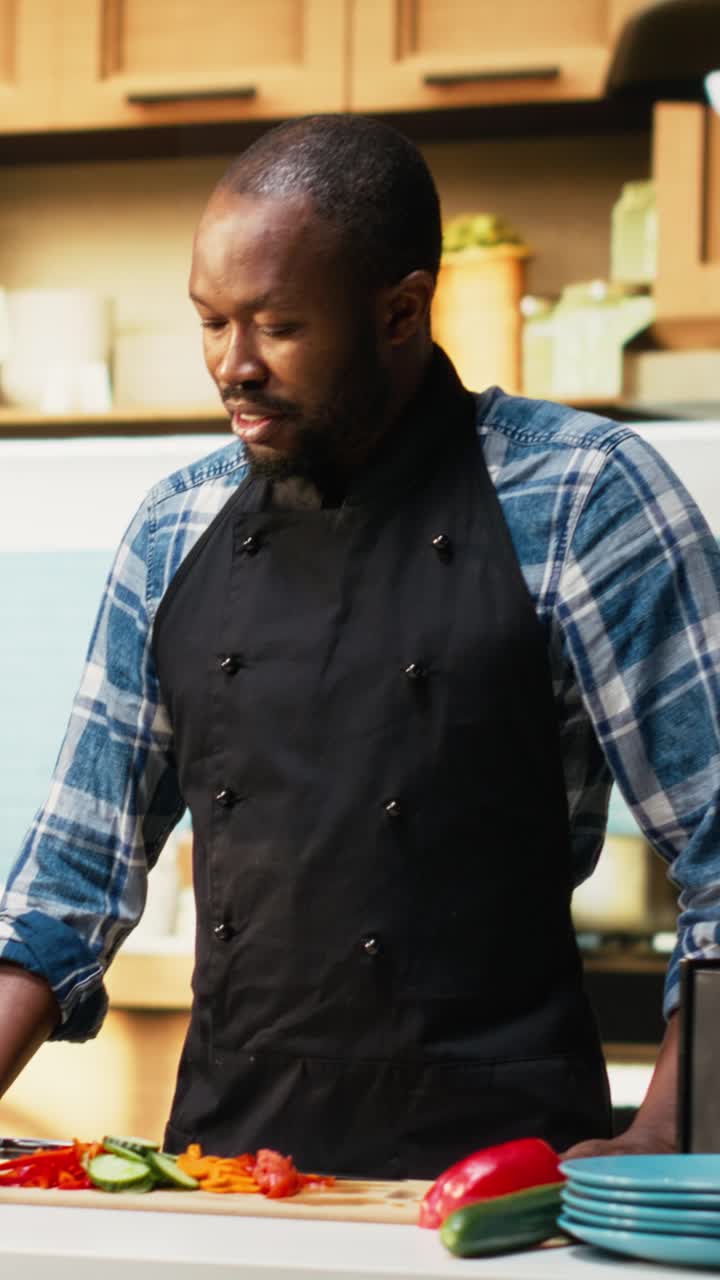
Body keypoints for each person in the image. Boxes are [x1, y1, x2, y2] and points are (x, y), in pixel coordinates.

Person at [1, 114, 719, 1180]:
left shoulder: (584, 499)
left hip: (505, 1191)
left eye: (277, 326)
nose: (232, 366)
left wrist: (673, 1133)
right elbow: (67, 876)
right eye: (209, 322)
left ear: (400, 312)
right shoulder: (171, 530)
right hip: (232, 1180)